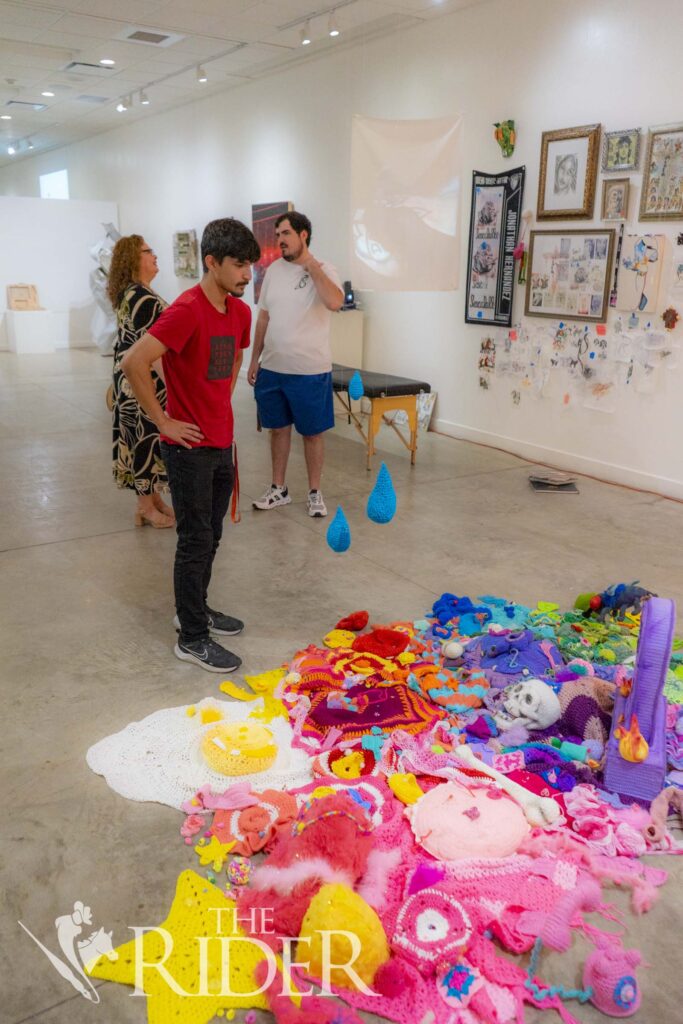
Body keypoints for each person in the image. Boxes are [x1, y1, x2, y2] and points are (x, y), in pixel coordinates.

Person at [121, 219, 260, 672]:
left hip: (222, 443)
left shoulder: (241, 313)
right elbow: (135, 362)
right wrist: (165, 420)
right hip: (186, 451)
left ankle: (194, 609)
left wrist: (214, 409)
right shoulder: (185, 309)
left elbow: (233, 360)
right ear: (212, 262)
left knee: (212, 535)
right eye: (239, 265)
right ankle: (192, 637)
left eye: (250, 267)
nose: (246, 275)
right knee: (194, 540)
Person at [248, 211, 344, 517]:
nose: (280, 241)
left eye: (286, 234)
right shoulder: (272, 271)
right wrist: (254, 359)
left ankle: (315, 492)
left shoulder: (326, 269)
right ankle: (279, 488)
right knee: (278, 430)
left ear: (303, 235)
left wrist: (312, 267)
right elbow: (263, 316)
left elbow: (334, 302)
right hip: (273, 368)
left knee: (313, 433)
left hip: (310, 371)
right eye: (277, 235)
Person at [108, 234, 174, 528]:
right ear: (134, 258)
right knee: (145, 441)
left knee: (144, 439)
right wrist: (174, 386)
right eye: (148, 251)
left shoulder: (132, 292)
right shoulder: (142, 297)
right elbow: (153, 351)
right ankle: (145, 507)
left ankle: (152, 500)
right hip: (143, 383)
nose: (154, 255)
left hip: (131, 382)